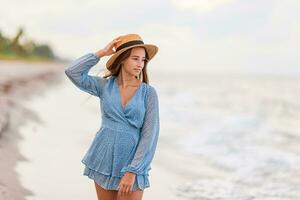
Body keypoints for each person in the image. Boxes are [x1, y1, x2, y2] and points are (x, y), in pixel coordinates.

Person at [64, 33, 160, 200]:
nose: (140, 64)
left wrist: (133, 170)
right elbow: (72, 72)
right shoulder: (104, 86)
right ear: (122, 59)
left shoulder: (148, 93)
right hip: (104, 158)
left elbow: (150, 135)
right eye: (135, 58)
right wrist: (101, 53)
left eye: (143, 60)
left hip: (132, 163)